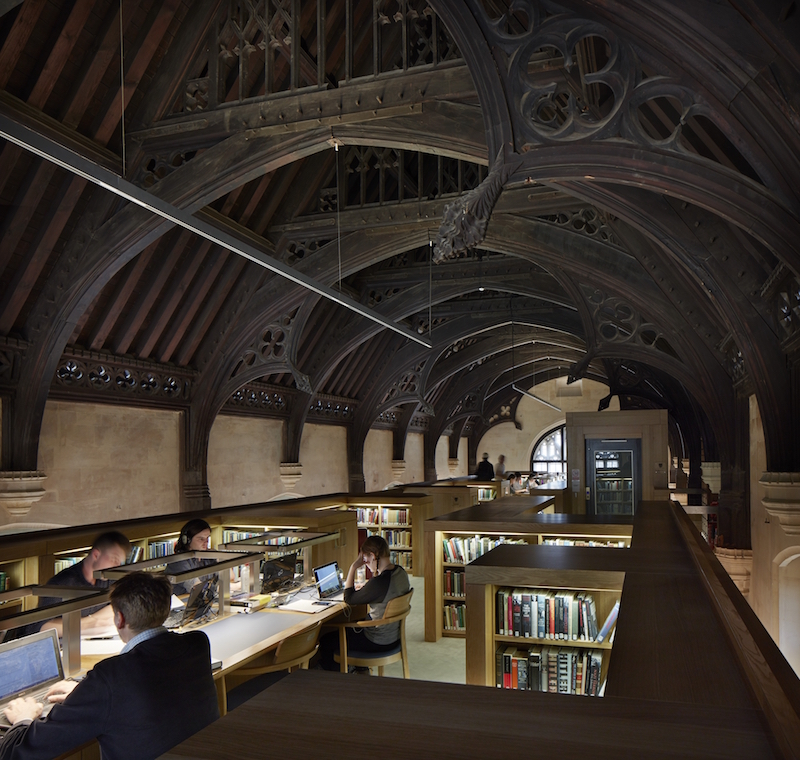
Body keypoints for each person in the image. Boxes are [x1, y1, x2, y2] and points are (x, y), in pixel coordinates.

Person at [0, 572, 219, 760]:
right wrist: (86, 694)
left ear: (119, 619)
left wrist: (23, 718)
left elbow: (21, 752)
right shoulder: (197, 644)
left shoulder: (110, 677)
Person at [5, 531, 130, 641]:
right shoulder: (62, 584)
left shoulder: (109, 576)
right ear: (96, 555)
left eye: (120, 562)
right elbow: (41, 627)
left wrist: (91, 621)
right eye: (114, 559)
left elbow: (117, 606)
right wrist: (90, 624)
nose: (117, 566)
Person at [319, 535, 410, 671]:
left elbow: (348, 598)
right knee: (353, 629)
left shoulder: (378, 582)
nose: (366, 565)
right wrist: (368, 587)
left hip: (376, 641)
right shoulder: (401, 573)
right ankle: (361, 672)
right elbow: (382, 592)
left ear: (373, 556)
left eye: (366, 561)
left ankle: (337, 683)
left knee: (326, 639)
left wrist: (353, 567)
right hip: (393, 638)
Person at [165, 519, 215, 594]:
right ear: (187, 540)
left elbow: (230, 577)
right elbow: (197, 588)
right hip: (180, 603)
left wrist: (219, 556)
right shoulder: (179, 561)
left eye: (207, 538)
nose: (206, 542)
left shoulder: (205, 556)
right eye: (201, 539)